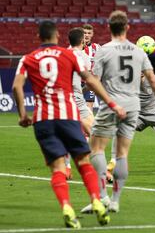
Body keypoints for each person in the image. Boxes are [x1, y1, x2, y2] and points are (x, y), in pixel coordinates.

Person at [11, 20, 126, 228]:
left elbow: (17, 87)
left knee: (58, 168)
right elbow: (90, 80)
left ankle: (66, 206)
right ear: (56, 36)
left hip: (43, 119)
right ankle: (97, 202)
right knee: (83, 161)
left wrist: (22, 115)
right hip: (68, 115)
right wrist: (111, 102)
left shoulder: (28, 58)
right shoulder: (70, 55)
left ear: (39, 38)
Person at [80, 10, 155, 214]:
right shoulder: (138, 51)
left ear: (109, 28)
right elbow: (152, 79)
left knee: (95, 148)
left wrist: (84, 91)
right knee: (121, 153)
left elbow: (93, 80)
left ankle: (102, 197)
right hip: (133, 107)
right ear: (127, 28)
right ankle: (115, 201)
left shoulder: (103, 50)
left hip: (112, 104)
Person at [64, 27, 95, 180]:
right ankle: (99, 170)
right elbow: (88, 81)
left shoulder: (62, 54)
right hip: (76, 98)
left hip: (62, 100)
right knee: (96, 133)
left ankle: (67, 166)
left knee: (68, 134)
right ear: (82, 41)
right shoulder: (83, 56)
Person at [82, 24, 101, 112]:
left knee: (89, 106)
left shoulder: (97, 47)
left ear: (92, 34)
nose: (86, 35)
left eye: (89, 33)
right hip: (77, 82)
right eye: (85, 33)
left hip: (89, 83)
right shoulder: (75, 47)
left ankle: (88, 125)